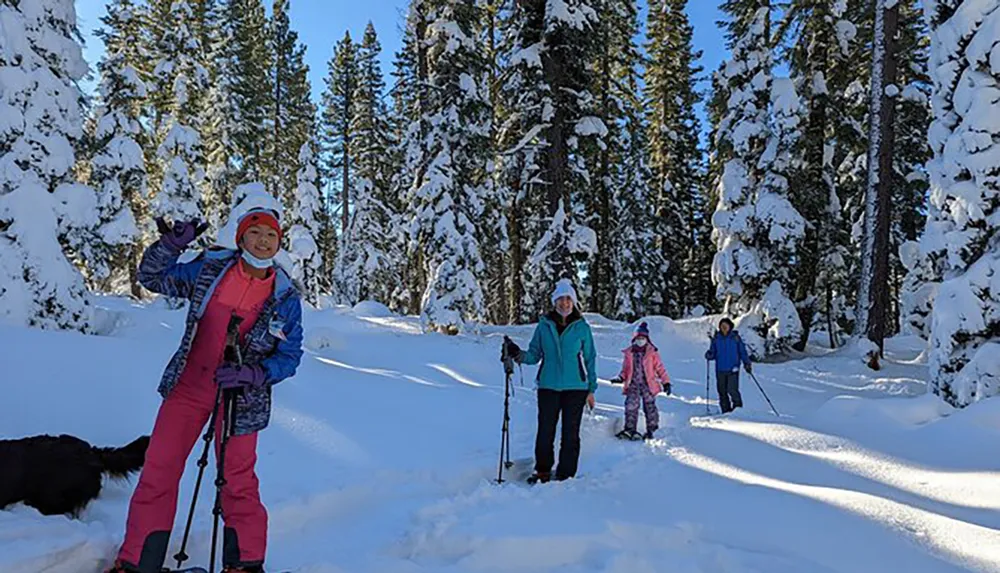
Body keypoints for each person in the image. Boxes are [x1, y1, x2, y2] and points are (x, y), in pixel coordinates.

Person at [107, 207, 304, 573]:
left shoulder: (285, 298)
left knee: (238, 480)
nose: (263, 241)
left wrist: (254, 374)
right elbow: (151, 277)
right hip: (189, 388)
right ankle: (136, 562)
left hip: (243, 400)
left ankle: (244, 565)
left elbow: (290, 357)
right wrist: (169, 247)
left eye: (271, 236)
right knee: (159, 471)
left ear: (279, 243)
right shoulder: (210, 270)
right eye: (255, 233)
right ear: (240, 238)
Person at [503, 279, 597, 484]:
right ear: (554, 302)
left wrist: (591, 388)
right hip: (548, 386)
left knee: (570, 434)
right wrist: (517, 354)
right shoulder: (544, 326)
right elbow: (534, 355)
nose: (565, 303)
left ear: (574, 302)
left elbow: (590, 358)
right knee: (546, 431)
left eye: (568, 299)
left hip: (576, 388)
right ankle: (543, 471)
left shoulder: (582, 328)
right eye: (561, 299)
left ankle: (566, 474)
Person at [610, 322, 670, 440]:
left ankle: (652, 430)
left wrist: (666, 382)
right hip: (633, 384)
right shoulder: (630, 353)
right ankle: (630, 429)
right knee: (631, 406)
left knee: (650, 407)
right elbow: (626, 369)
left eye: (642, 338)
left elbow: (660, 368)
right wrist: (621, 378)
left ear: (647, 339)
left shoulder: (652, 352)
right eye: (638, 338)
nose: (640, 340)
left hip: (648, 384)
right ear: (634, 338)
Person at [704, 317, 751, 414]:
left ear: (730, 327)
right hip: (720, 370)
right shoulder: (716, 339)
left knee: (732, 390)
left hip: (733, 369)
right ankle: (725, 412)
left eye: (726, 326)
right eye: (722, 326)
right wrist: (709, 355)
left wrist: (747, 363)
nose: (724, 328)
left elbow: (742, 351)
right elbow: (713, 353)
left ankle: (738, 410)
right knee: (722, 392)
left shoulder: (735, 338)